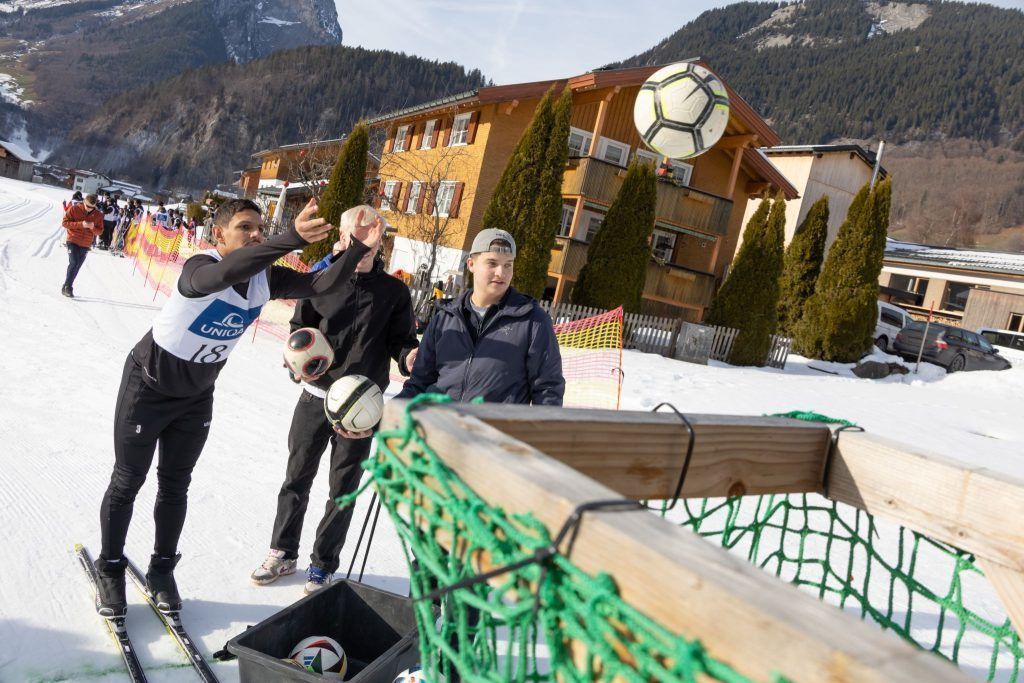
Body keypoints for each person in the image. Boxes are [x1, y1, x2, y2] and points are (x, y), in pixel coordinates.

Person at [92, 198, 385, 619]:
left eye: (259, 229)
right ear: (219, 235)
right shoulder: (200, 267)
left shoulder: (265, 278)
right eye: (244, 227)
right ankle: (111, 567)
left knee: (175, 486)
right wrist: (291, 240)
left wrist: (356, 248)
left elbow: (322, 286)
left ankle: (161, 570)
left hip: (195, 397)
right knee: (127, 481)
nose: (255, 235)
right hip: (148, 387)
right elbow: (229, 272)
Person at [251, 212, 419, 593]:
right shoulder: (321, 282)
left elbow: (402, 341)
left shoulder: (394, 292)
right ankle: (283, 551)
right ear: (340, 239)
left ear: (380, 243)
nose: (359, 247)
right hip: (315, 398)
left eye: (368, 241)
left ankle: (322, 565)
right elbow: (299, 330)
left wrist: (409, 357)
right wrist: (295, 363)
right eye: (351, 238)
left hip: (361, 409)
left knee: (342, 490)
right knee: (296, 478)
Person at [398, 228, 564, 406]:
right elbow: (419, 384)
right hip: (441, 429)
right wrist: (381, 419)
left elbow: (548, 391)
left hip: (493, 432)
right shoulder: (445, 318)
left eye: (508, 264)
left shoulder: (533, 321)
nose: (501, 272)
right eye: (492, 263)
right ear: (471, 264)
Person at [61, 194, 104, 298]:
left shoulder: (98, 215)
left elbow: (100, 231)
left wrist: (93, 228)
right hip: (73, 240)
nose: (89, 209)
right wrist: (81, 224)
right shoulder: (74, 209)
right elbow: (65, 223)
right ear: (84, 202)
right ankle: (68, 288)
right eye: (87, 206)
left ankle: (66, 285)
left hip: (85, 244)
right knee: (74, 262)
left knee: (77, 266)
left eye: (92, 207)